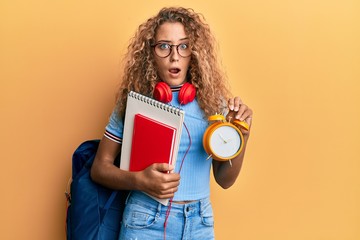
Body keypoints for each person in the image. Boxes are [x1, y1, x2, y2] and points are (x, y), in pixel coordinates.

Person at [91, 6, 253, 240]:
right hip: (145, 219)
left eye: (184, 46)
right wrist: (139, 180)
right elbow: (99, 168)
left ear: (194, 52)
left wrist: (241, 135)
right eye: (164, 46)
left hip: (200, 222)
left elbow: (225, 180)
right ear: (150, 52)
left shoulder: (214, 105)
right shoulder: (133, 102)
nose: (175, 56)